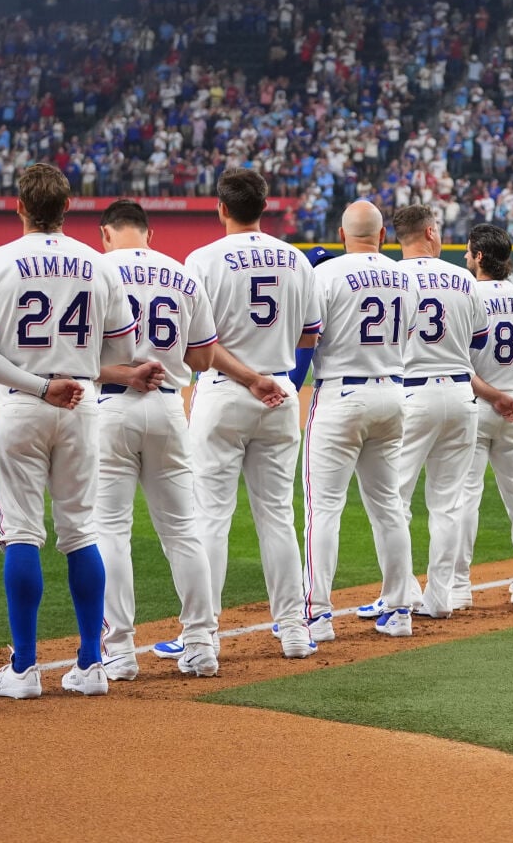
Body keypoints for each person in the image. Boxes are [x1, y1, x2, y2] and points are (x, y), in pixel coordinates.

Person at [0, 163, 137, 698]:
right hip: (83, 401)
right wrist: (75, 366)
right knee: (81, 531)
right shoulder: (98, 264)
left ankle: (23, 671)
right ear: (68, 208)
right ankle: (91, 664)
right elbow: (126, 351)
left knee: (21, 531)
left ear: (19, 206)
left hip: (22, 401)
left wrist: (42, 385)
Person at [182, 170, 320, 658]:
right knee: (278, 517)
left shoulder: (201, 260)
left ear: (221, 207)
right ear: (265, 207)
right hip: (280, 392)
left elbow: (198, 348)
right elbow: (309, 337)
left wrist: (247, 379)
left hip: (224, 392)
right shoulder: (297, 259)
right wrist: (272, 379)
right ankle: (295, 630)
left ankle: (200, 639)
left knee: (210, 517)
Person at [93, 200, 225, 681]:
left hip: (110, 404)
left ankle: (120, 651)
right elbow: (205, 357)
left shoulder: (96, 269)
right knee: (184, 531)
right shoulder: (183, 275)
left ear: (106, 233)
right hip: (170, 406)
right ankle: (200, 644)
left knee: (109, 530)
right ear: (150, 233)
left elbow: (78, 351)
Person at [377, 204, 513, 620]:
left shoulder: (392, 276)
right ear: (428, 232)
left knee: (394, 501)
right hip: (460, 395)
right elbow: (477, 340)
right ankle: (439, 597)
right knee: (449, 503)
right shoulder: (462, 278)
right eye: (436, 227)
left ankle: (399, 595)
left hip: (410, 394)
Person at [302, 201, 418, 642]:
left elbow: (308, 337)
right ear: (383, 234)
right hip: (391, 392)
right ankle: (400, 609)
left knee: (323, 511)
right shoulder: (404, 277)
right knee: (389, 507)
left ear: (341, 233)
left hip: (340, 392)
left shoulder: (326, 274)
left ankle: (316, 615)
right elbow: (407, 334)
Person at [452, 224, 513, 607]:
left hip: (476, 403)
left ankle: (458, 587)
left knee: (464, 498)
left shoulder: (467, 294)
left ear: (479, 256)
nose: (464, 256)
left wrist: (491, 393)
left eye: (469, 250)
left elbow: (459, 362)